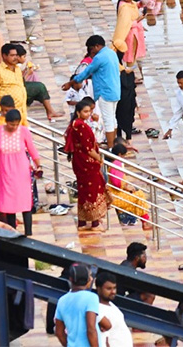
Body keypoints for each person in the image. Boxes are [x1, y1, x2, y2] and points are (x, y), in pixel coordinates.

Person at [0, 108, 40, 230]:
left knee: (25, 201)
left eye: (16, 124)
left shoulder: (24, 131)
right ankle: (12, 230)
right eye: (11, 124)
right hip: (6, 171)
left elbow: (32, 149)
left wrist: (38, 164)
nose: (14, 127)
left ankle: (28, 232)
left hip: (22, 171)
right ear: (6, 122)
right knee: (9, 203)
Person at [64, 35, 120, 149]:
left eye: (91, 49)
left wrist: (70, 83)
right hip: (115, 91)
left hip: (105, 93)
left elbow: (87, 71)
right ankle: (113, 145)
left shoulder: (99, 57)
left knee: (108, 120)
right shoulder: (111, 53)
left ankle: (110, 149)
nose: (91, 52)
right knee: (113, 119)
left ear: (97, 46)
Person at [64, 97, 107, 229]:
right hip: (86, 162)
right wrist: (99, 158)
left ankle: (83, 221)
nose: (88, 114)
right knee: (92, 189)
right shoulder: (81, 126)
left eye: (89, 111)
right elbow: (88, 149)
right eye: (85, 112)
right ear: (78, 112)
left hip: (79, 161)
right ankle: (94, 221)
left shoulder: (75, 124)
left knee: (84, 190)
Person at [54, 263, 102, 347]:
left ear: (71, 279)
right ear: (89, 280)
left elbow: (59, 332)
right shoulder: (91, 298)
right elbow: (91, 329)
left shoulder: (62, 300)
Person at [95, 272, 131, 347]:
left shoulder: (111, 304)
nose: (113, 292)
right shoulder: (98, 309)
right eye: (109, 289)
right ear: (98, 288)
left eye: (114, 288)